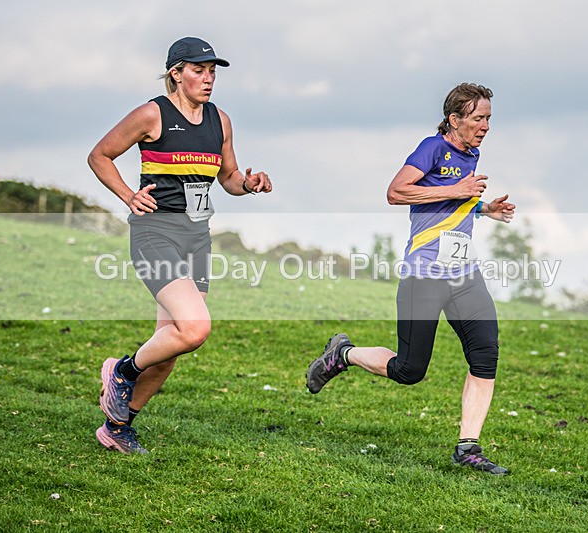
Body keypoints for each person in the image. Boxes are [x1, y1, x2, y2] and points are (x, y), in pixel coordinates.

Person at [306, 83, 515, 475]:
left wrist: (484, 208)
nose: (485, 126)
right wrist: (461, 189)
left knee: (486, 356)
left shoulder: (471, 152)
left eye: (488, 118)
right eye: (478, 118)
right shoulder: (431, 148)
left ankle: (468, 447)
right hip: (425, 273)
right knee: (409, 370)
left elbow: (444, 202)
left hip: (463, 272)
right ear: (454, 119)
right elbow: (397, 191)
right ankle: (343, 354)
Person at [88, 37, 272, 454]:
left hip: (197, 238)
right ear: (176, 73)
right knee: (195, 328)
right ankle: (120, 370)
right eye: (198, 71)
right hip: (155, 233)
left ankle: (117, 426)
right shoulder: (152, 114)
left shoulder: (220, 121)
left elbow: (227, 177)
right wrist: (127, 195)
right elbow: (100, 155)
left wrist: (248, 183)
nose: (208, 79)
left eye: (212, 72)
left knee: (169, 346)